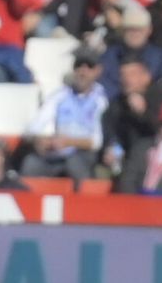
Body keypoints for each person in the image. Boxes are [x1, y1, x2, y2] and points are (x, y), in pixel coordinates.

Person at [21, 47, 107, 184]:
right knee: (30, 163)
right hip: (56, 151)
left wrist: (68, 142)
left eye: (89, 67)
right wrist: (41, 140)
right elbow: (34, 127)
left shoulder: (101, 99)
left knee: (74, 164)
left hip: (83, 153)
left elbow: (96, 141)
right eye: (78, 66)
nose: (83, 72)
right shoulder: (60, 95)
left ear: (98, 71)